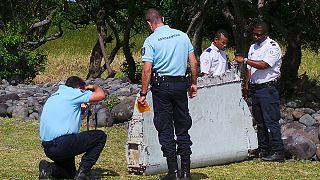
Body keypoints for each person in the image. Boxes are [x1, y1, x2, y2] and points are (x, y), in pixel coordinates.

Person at [137, 8, 198, 180]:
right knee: (183, 128)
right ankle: (186, 172)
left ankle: (173, 172)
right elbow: (193, 62)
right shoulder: (182, 36)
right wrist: (193, 83)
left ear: (149, 23)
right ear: (162, 18)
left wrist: (143, 93)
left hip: (161, 88)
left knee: (165, 129)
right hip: (180, 85)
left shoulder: (151, 41)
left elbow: (147, 70)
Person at [234, 21, 285, 162]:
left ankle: (278, 151)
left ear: (265, 34)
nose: (255, 36)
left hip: (268, 88)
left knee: (271, 121)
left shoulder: (272, 47)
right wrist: (246, 85)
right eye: (254, 33)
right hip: (256, 88)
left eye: (258, 34)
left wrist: (244, 60)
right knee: (259, 121)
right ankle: (263, 149)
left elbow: (263, 65)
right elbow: (251, 70)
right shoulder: (253, 47)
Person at [39, 76, 107, 179]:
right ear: (79, 87)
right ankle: (83, 173)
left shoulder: (55, 96)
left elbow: (67, 115)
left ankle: (48, 168)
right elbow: (101, 95)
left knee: (69, 173)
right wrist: (94, 87)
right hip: (62, 144)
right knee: (100, 136)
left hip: (48, 147)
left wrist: (82, 109)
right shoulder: (74, 93)